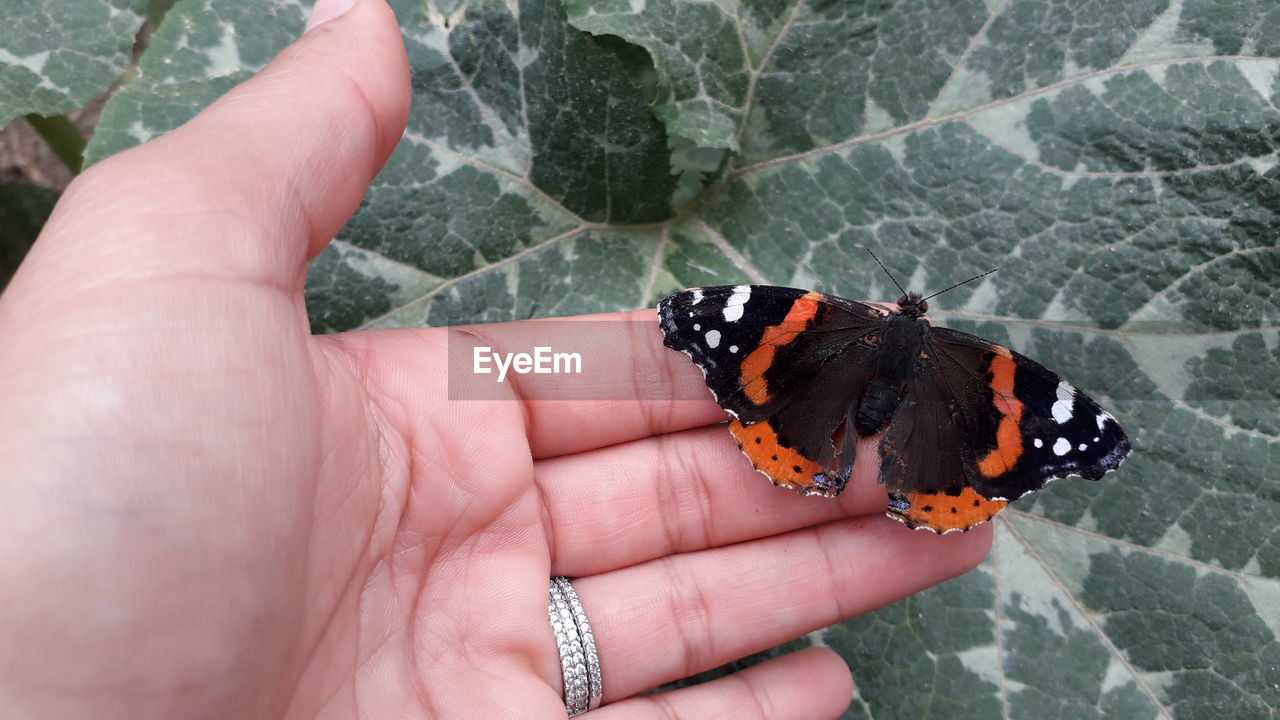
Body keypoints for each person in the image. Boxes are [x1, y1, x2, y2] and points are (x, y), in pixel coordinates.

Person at [0, 0, 991, 717]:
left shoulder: (812, 319)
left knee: (489, 370)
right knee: (502, 371)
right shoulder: (926, 354)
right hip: (505, 404)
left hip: (529, 406)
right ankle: (898, 482)